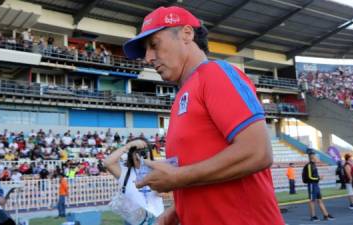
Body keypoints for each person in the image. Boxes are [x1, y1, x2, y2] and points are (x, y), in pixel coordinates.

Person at [122, 6, 284, 225]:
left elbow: (258, 152)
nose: (148, 58)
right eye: (145, 51)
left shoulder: (215, 74)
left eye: (154, 45)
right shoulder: (182, 96)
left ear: (187, 34)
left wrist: (177, 178)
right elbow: (204, 170)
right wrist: (178, 210)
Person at [104, 139, 164, 225]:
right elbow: (107, 163)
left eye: (144, 150)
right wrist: (128, 146)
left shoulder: (157, 170)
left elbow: (164, 193)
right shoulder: (125, 172)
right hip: (134, 221)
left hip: (157, 220)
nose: (140, 154)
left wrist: (149, 164)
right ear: (131, 154)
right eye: (137, 151)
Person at [303, 152, 335, 221]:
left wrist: (318, 178)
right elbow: (309, 177)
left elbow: (313, 176)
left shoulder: (314, 165)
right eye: (316, 157)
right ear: (312, 157)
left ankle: (326, 215)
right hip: (312, 185)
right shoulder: (309, 165)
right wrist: (318, 178)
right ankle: (313, 216)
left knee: (320, 199)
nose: (317, 158)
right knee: (312, 200)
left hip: (315, 184)